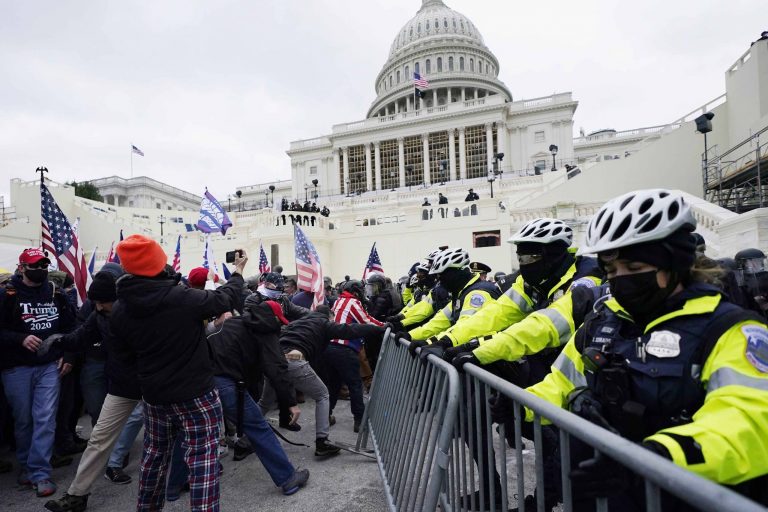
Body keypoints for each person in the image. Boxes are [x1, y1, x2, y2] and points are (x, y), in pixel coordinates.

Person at [519, 189, 768, 509]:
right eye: (612, 271)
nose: (620, 280)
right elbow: (563, 381)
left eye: (634, 269)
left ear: (674, 265)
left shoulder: (730, 329)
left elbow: (747, 422)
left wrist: (656, 457)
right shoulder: (602, 321)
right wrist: (521, 405)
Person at [109, 235, 247, 511]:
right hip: (196, 393)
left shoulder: (120, 309)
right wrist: (238, 272)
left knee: (154, 457)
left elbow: (123, 356)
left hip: (154, 396)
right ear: (159, 262)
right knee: (203, 460)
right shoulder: (179, 297)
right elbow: (224, 298)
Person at [43, 271, 144, 512]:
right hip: (122, 386)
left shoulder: (141, 312)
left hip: (154, 385)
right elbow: (81, 337)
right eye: (95, 302)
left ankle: (193, 476)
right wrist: (59, 341)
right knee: (98, 439)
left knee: (173, 436)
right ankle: (77, 495)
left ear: (118, 298)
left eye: (102, 302)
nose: (98, 307)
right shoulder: (99, 314)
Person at [206, 298, 310, 495]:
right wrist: (290, 403)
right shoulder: (265, 330)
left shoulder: (232, 323)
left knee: (195, 431)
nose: (279, 325)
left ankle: (176, 483)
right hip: (228, 384)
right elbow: (277, 368)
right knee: (259, 429)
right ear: (272, 319)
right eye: (278, 320)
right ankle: (288, 478)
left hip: (202, 382)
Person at [260, 304, 386, 456]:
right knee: (322, 395)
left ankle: (245, 440)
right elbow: (352, 330)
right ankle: (322, 442)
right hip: (293, 360)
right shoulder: (324, 323)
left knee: (264, 403)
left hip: (273, 361)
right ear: (329, 316)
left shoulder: (296, 323)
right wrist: (380, 329)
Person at [0, 248, 76, 498]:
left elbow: (71, 328)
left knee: (45, 418)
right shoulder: (6, 295)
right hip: (16, 368)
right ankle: (26, 466)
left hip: (48, 366)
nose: (41, 269)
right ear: (22, 268)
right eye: (35, 265)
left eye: (44, 265)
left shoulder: (57, 294)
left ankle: (40, 472)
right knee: (24, 420)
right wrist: (20, 338)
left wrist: (69, 354)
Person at [326, 280, 383, 432]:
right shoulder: (352, 302)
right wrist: (384, 326)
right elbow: (367, 321)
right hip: (345, 348)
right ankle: (359, 421)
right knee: (355, 385)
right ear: (356, 291)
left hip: (330, 347)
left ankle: (326, 415)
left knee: (333, 385)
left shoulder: (338, 301)